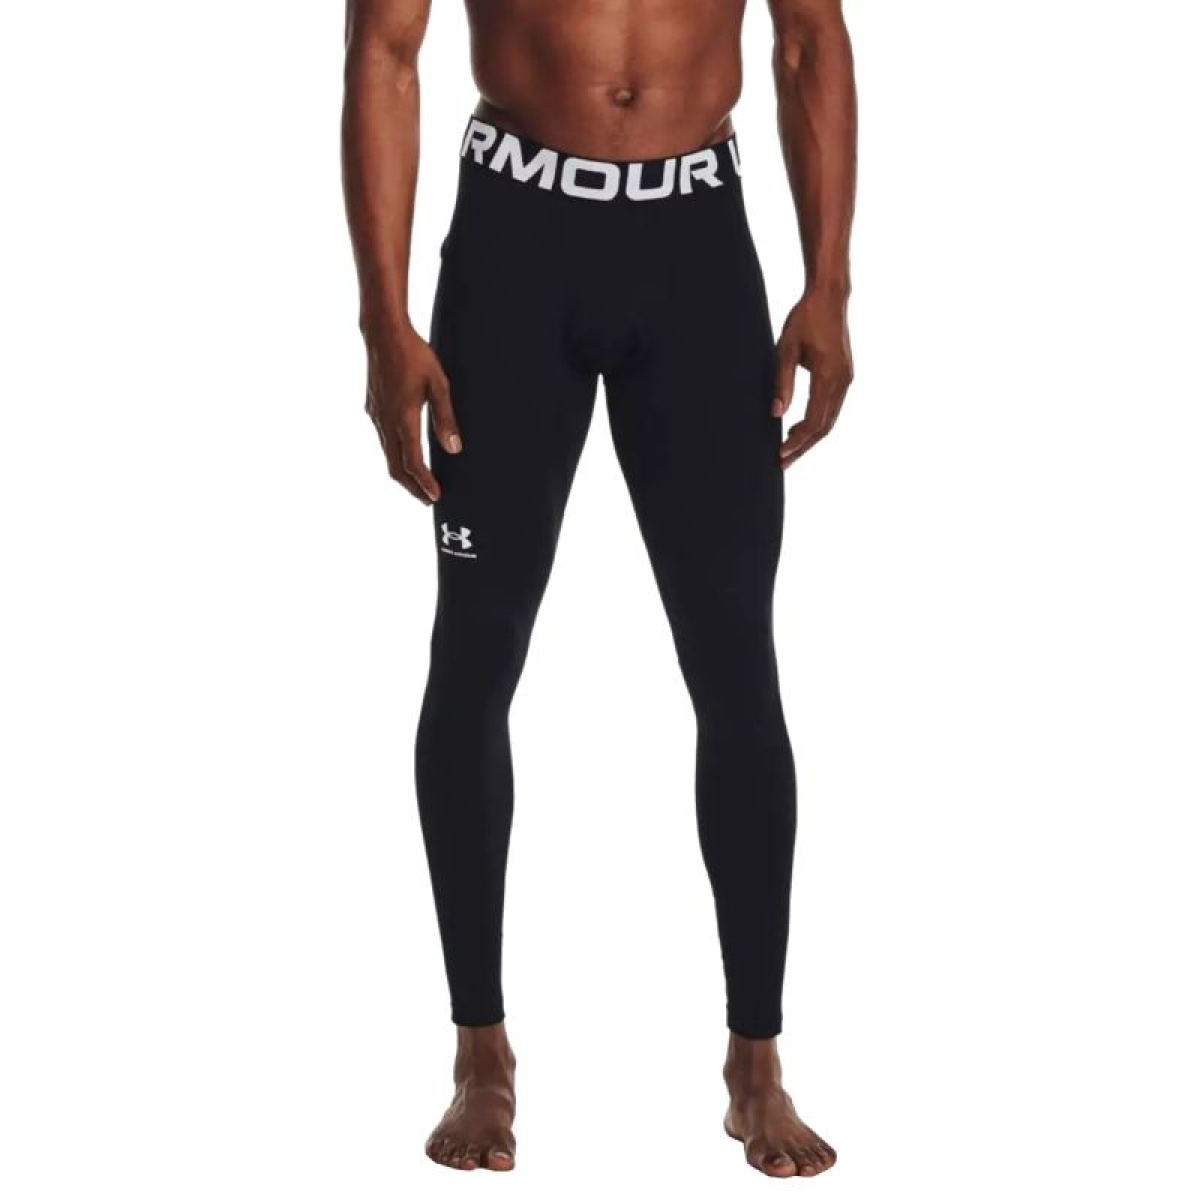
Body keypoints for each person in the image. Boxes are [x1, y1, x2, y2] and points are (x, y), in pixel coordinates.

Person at [341, 0, 856, 1177]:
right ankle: (480, 1052)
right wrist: (382, 320)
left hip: (696, 249)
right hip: (515, 246)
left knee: (737, 660)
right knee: (475, 654)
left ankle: (757, 1061)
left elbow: (808, 39)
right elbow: (385, 49)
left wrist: (828, 281)